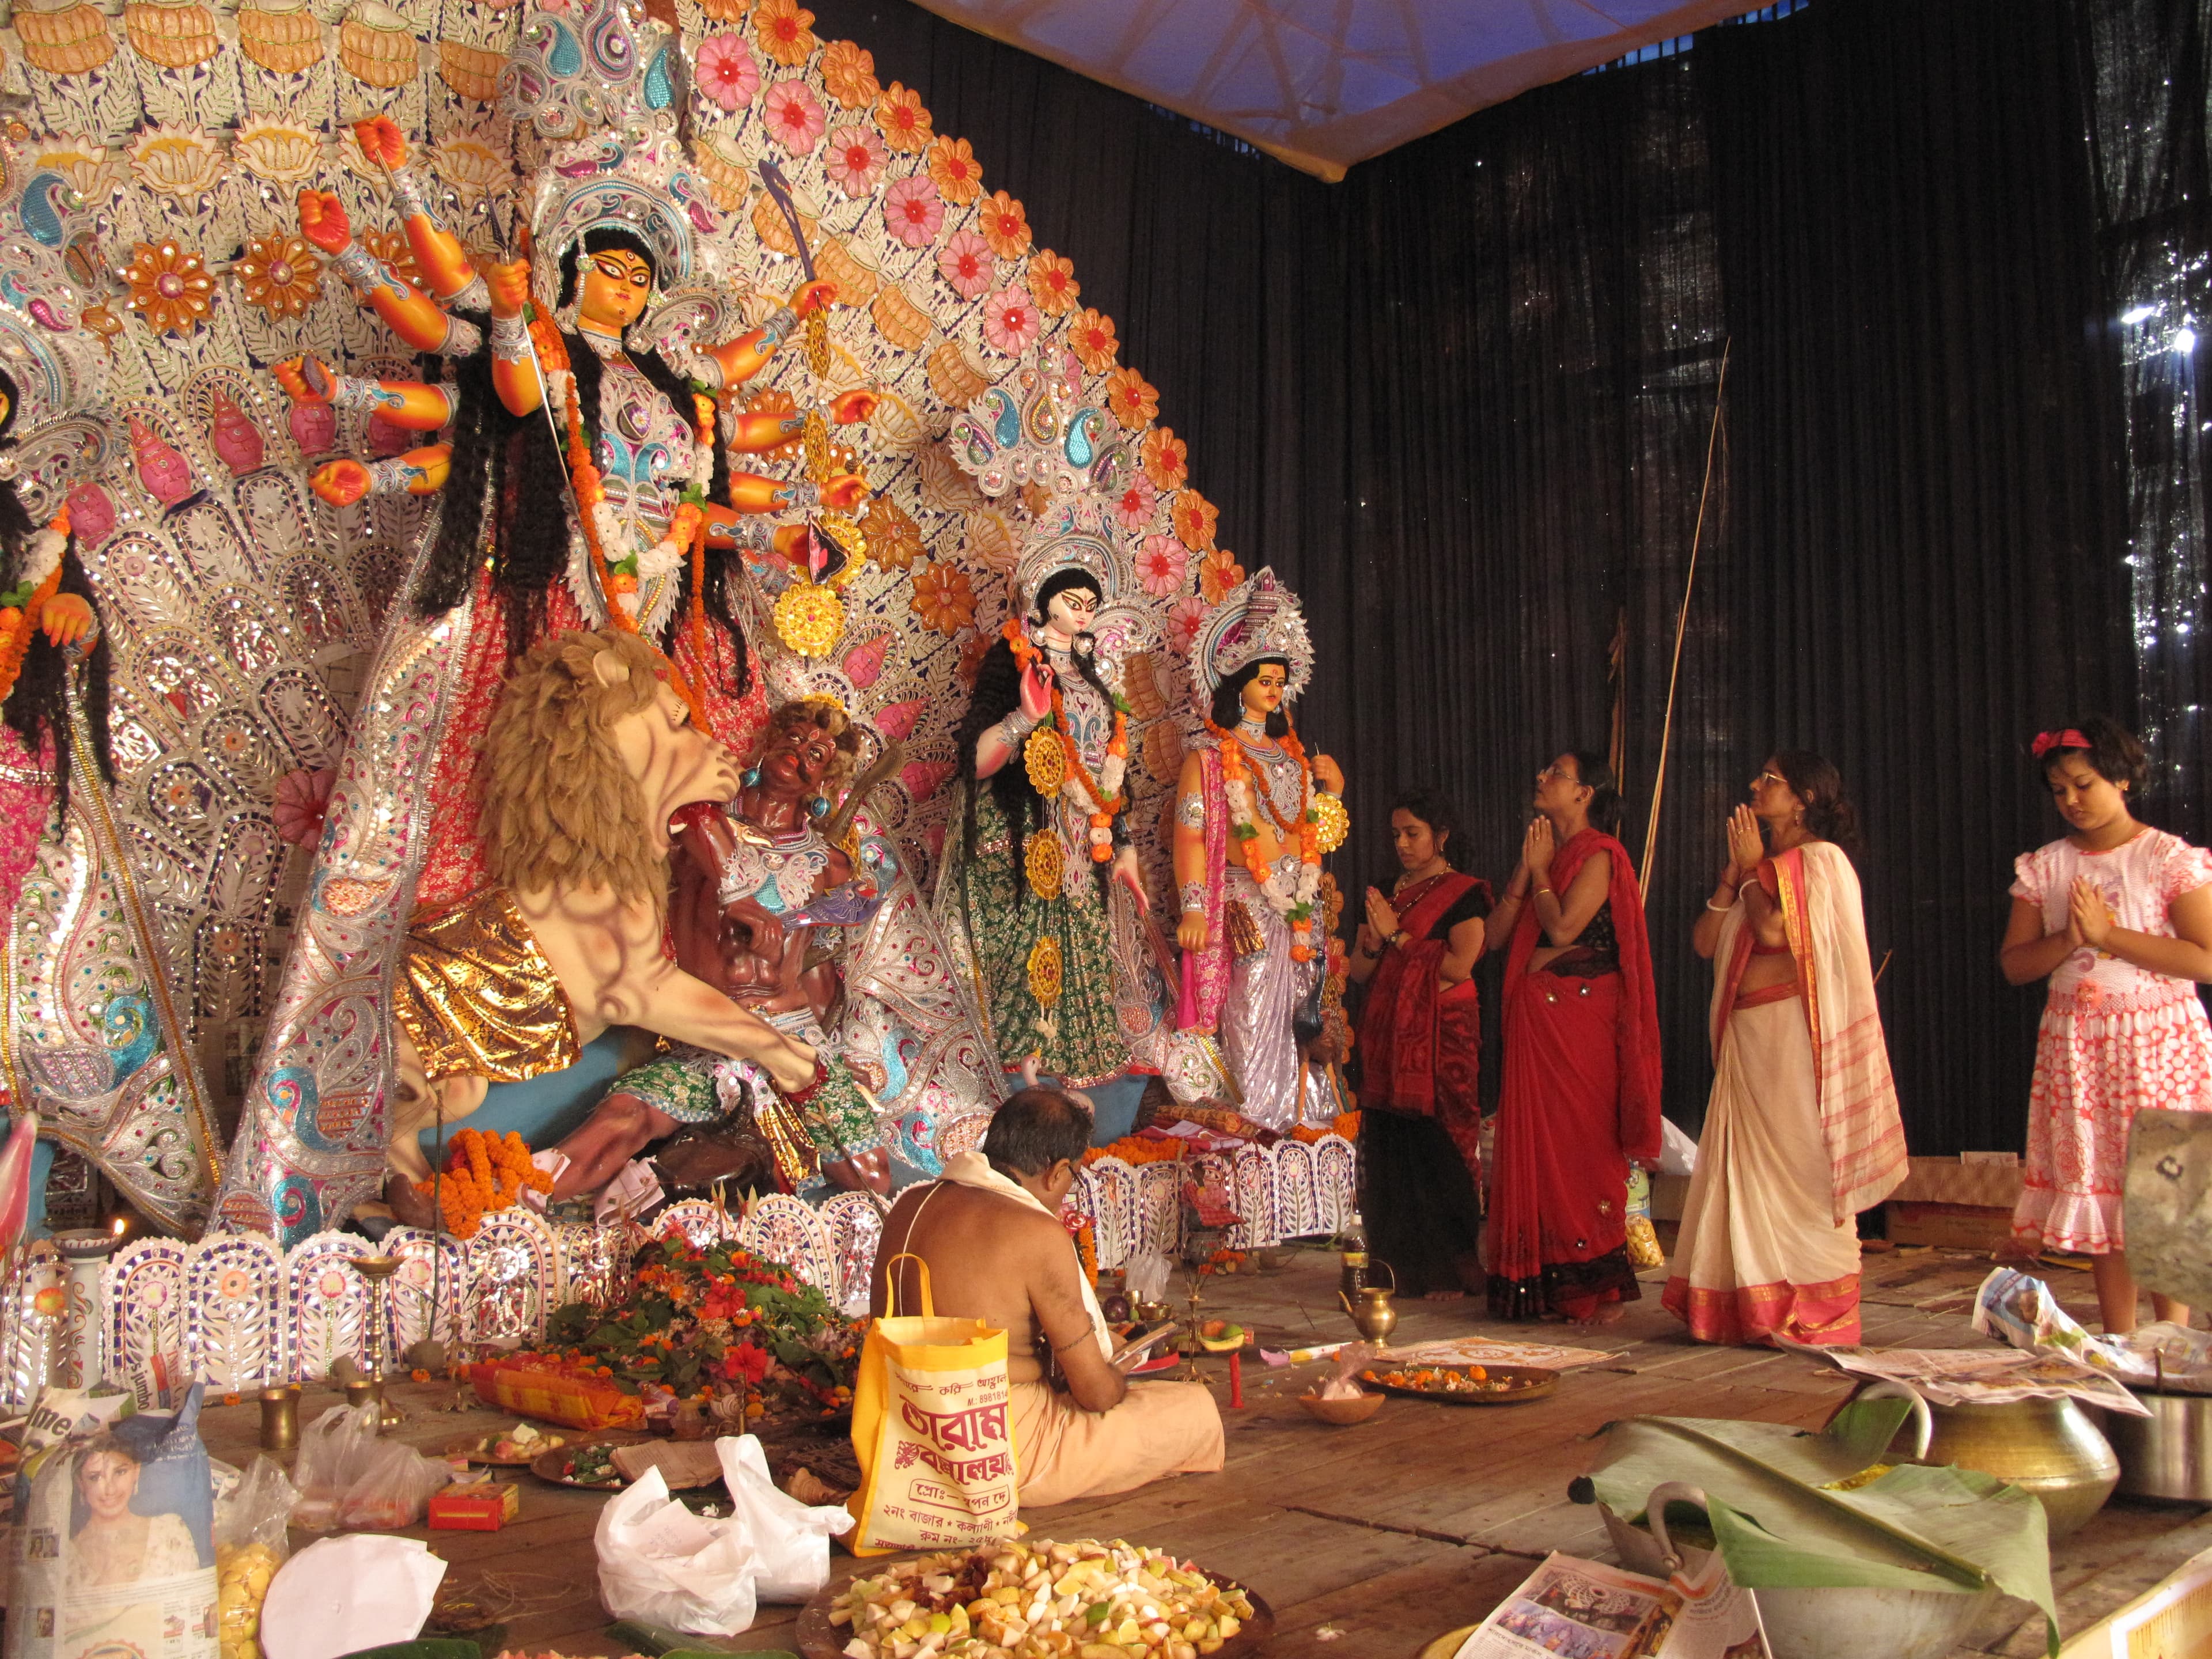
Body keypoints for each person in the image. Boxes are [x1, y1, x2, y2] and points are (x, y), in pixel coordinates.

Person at [872, 1089, 1223, 1508]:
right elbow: (1096, 1395)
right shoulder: (1036, 1232)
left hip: (899, 1430)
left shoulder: (910, 1204)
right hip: (996, 1451)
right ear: (1057, 1172)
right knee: (1194, 1411)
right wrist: (1116, 1370)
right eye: (1073, 1176)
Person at [1664, 752, 1906, 1346]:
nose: (1754, 786)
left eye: (1770, 780)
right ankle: (1747, 1310)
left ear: (1804, 800)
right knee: (1745, 1174)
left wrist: (1751, 870)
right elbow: (1703, 941)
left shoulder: (1820, 863)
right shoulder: (1764, 869)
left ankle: (1811, 1306)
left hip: (1793, 1037)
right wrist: (1734, 875)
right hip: (1750, 1038)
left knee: (1799, 1166)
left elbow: (1775, 933)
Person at [2000, 718, 2212, 1334]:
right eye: (2060, 790)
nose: (2072, 800)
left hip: (2159, 1044)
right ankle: (2119, 1341)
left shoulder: (2166, 857)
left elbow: (2204, 957)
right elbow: (2016, 966)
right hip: (2080, 1046)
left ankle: (2170, 1340)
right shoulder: (2047, 867)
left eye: (2084, 784)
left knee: (2161, 1195)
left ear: (2122, 779)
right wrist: (2070, 937)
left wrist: (2107, 935)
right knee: (2104, 1190)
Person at [1485, 752, 1662, 1323]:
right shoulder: (1548, 852)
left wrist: (1540, 872)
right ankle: (1540, 1284)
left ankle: (1590, 1288)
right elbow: (1494, 937)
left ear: (1586, 793)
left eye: (1556, 774)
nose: (1542, 778)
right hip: (1540, 1023)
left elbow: (1563, 927)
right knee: (1539, 1150)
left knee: (1580, 1148)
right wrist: (1527, 869)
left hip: (1581, 1023)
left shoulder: (1601, 854)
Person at [1175, 569, 1346, 1130]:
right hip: (1243, 898)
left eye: (1280, 680)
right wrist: (1197, 906)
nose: (1273, 689)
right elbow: (1192, 834)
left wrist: (1333, 794)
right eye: (1264, 678)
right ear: (1238, 681)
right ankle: (1253, 1122)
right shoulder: (1207, 759)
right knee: (1249, 1008)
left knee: (1305, 1012)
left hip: (1297, 904)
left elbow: (1312, 835)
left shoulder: (1293, 759)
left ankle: (1306, 1121)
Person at [1347, 789, 1491, 1299]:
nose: (1403, 844)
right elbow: (1361, 972)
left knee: (1439, 1145)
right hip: (1389, 1037)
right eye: (1396, 835)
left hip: (1440, 1037)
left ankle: (1449, 1268)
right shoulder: (1385, 891)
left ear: (1441, 836)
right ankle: (1397, 1267)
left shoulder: (1464, 893)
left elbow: (1457, 967)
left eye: (1414, 833)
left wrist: (1396, 938)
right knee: (1390, 1148)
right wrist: (1371, 942)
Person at [66, 1436, 200, 1590]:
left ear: (136, 1472)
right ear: (81, 1483)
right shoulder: (68, 1556)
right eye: (95, 1477)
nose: (110, 1490)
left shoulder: (170, 1529)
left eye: (120, 1472)